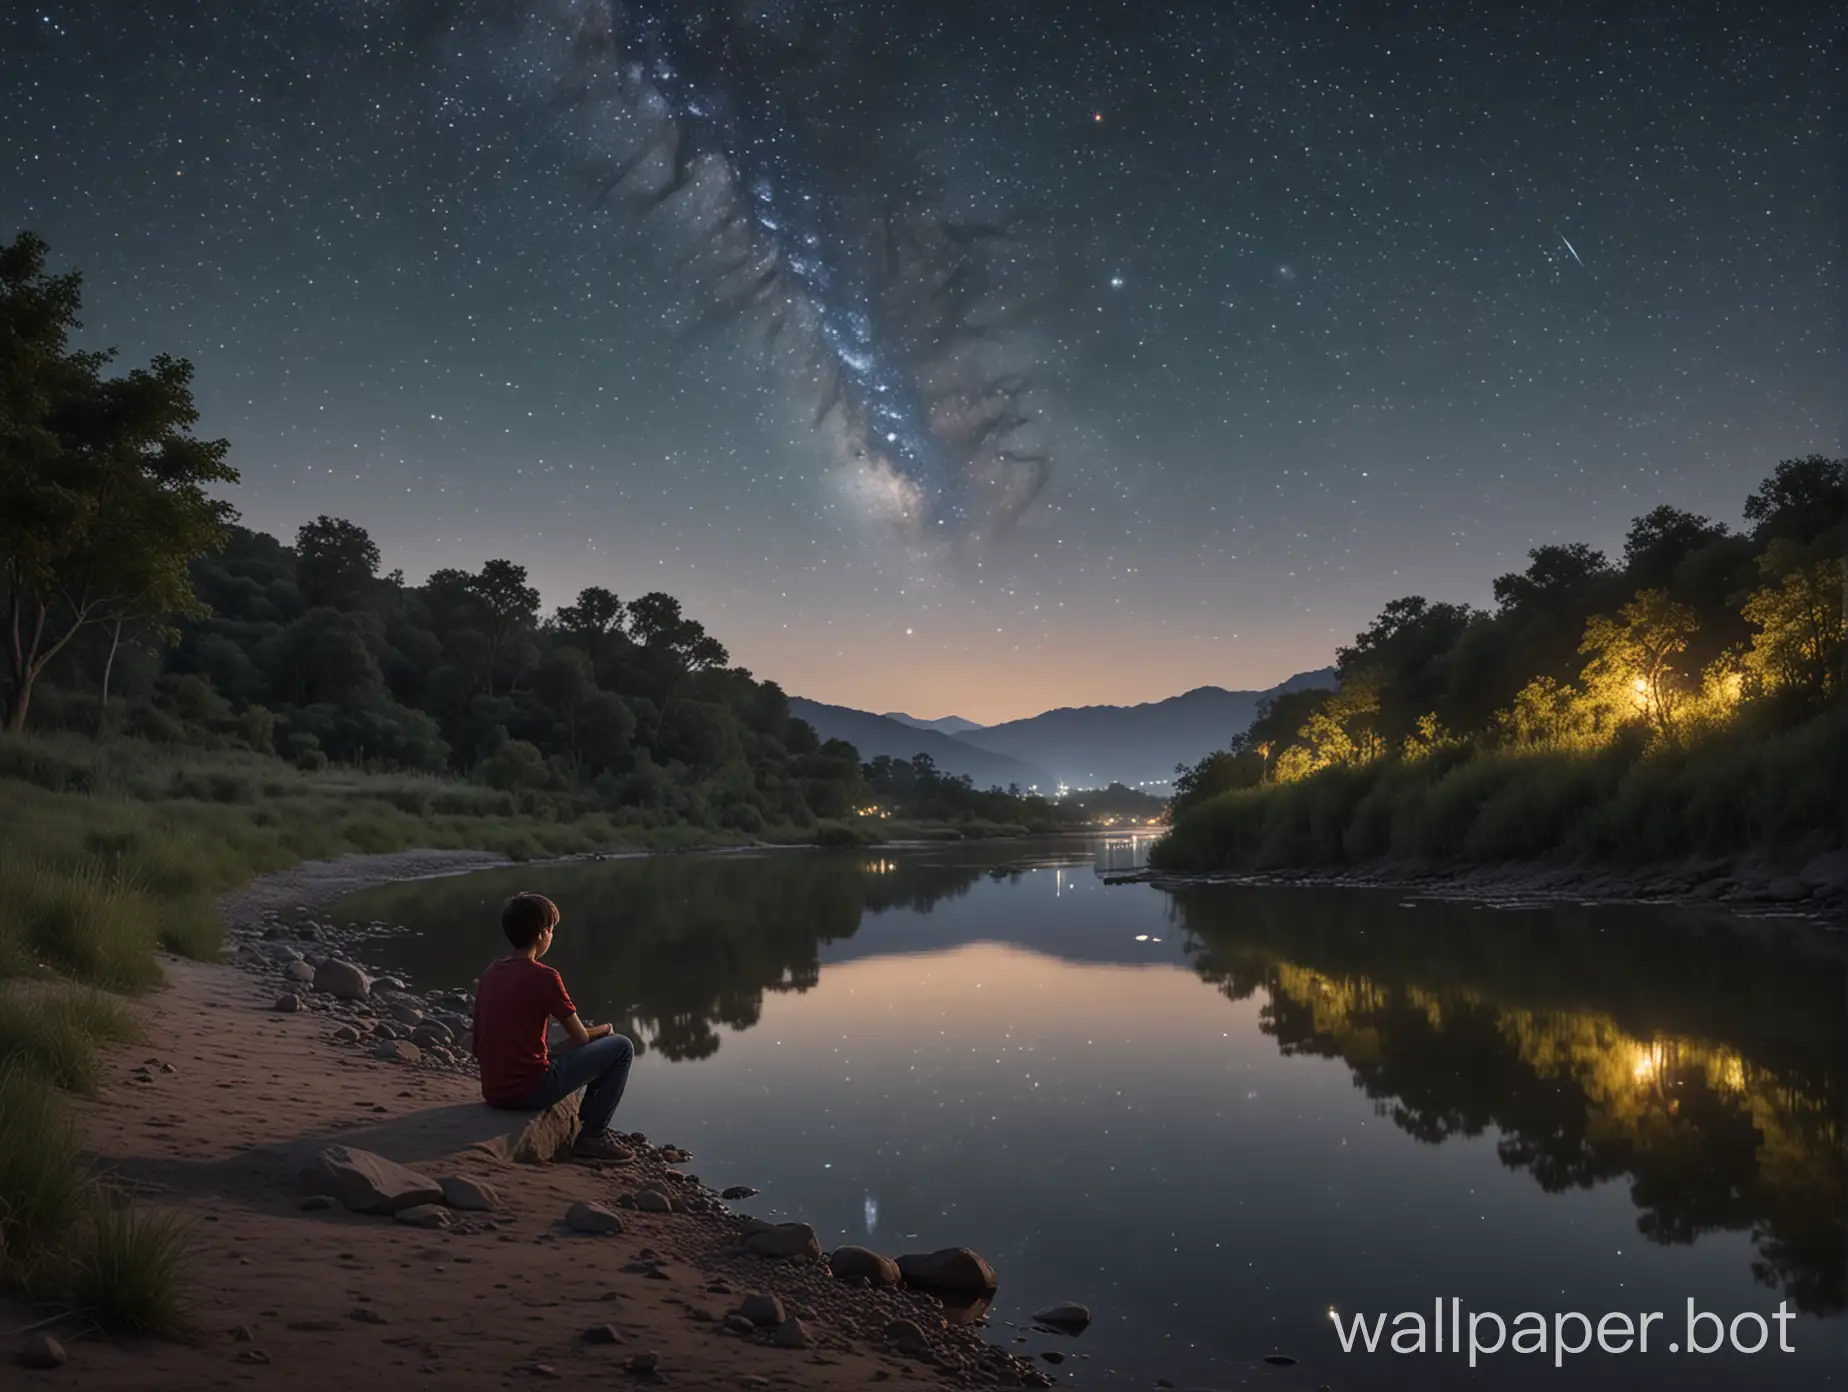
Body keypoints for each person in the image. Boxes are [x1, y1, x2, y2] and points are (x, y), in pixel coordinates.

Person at [470, 890, 634, 1160]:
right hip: (527, 1093)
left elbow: (479, 1043)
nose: (552, 936)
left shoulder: (491, 973)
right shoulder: (545, 977)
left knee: (557, 1049)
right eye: (552, 930)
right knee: (621, 1047)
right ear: (541, 934)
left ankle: (588, 1128)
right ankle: (593, 1136)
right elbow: (581, 1037)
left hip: (494, 1091)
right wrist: (604, 1030)